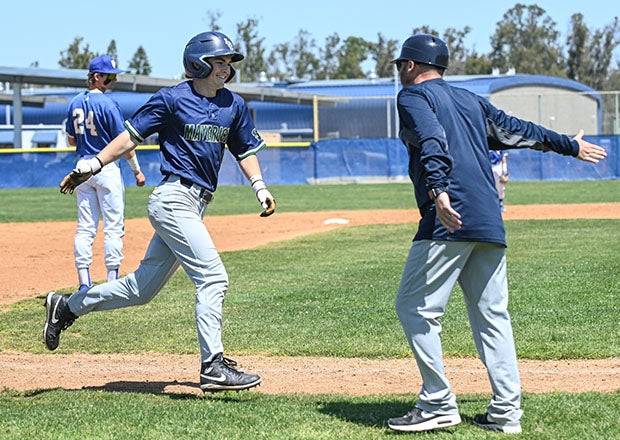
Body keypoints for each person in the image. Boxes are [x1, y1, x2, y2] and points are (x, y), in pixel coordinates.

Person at [387, 34, 606, 434]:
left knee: (414, 308)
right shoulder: (469, 100)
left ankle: (437, 402)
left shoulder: (412, 98)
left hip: (450, 217)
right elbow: (515, 129)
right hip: (489, 218)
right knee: (492, 318)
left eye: (401, 64)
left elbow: (432, 138)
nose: (399, 71)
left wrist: (438, 190)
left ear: (412, 66)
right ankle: (506, 413)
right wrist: (568, 146)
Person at [44, 31, 276, 392]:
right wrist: (94, 164)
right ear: (198, 63)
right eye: (219, 61)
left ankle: (67, 307)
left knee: (141, 289)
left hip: (196, 204)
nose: (226, 68)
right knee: (213, 278)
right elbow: (129, 136)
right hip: (173, 199)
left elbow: (244, 149)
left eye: (229, 63)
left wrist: (259, 186)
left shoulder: (233, 104)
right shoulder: (171, 99)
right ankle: (212, 366)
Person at [65, 55, 146, 291]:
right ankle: (111, 282)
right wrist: (137, 172)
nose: (114, 79)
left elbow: (71, 139)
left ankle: (84, 282)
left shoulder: (74, 102)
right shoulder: (108, 104)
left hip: (81, 167)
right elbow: (124, 142)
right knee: (113, 227)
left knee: (85, 227)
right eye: (110, 76)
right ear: (97, 77)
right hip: (106, 166)